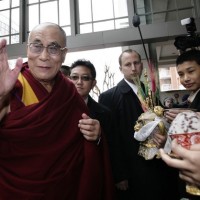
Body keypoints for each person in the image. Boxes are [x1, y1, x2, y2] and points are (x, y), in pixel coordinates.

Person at [0, 22, 115, 200]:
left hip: (66, 189)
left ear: (64, 54)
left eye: (53, 48)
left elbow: (81, 144)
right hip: (16, 190)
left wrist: (97, 134)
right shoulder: (12, 86)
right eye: (37, 46)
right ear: (28, 49)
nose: (44, 56)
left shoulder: (68, 91)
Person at [99, 49, 180, 200]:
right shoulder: (109, 97)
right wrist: (119, 174)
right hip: (131, 168)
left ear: (142, 65)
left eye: (136, 63)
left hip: (158, 163)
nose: (133, 68)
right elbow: (111, 139)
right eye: (128, 64)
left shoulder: (151, 92)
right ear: (121, 69)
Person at [161, 49, 200, 200]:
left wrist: (187, 118)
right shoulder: (191, 97)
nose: (186, 78)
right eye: (181, 75)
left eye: (191, 71)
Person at [69, 59, 112, 143]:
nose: (79, 82)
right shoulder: (56, 107)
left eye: (85, 78)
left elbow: (112, 147)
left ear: (93, 83)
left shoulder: (106, 114)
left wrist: (99, 137)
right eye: (74, 77)